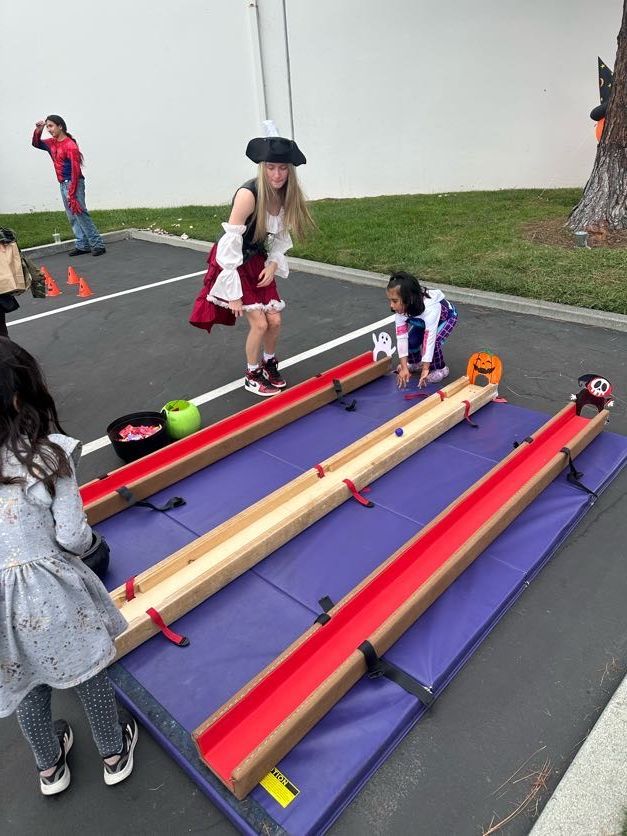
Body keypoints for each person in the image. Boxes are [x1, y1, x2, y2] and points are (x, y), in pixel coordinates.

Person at [0, 338, 137, 795]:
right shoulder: (47, 456)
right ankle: (113, 753)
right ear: (21, 395)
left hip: (2, 604)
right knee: (87, 672)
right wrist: (93, 545)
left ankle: (49, 768)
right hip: (48, 590)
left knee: (27, 684)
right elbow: (73, 537)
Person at [190, 122, 314, 396]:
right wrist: (233, 294)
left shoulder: (285, 195)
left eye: (282, 168)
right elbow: (230, 242)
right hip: (233, 261)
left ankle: (269, 363)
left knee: (276, 320)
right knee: (259, 322)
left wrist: (272, 263)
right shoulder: (248, 194)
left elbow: (280, 235)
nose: (277, 174)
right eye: (271, 167)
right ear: (262, 166)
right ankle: (252, 372)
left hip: (257, 259)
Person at [32, 115, 106, 257]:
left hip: (74, 183)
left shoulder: (70, 145)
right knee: (72, 216)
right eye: (47, 126)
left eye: (51, 126)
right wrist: (38, 130)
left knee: (80, 214)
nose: (49, 129)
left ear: (60, 126)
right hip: (63, 184)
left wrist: (72, 192)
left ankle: (97, 245)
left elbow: (75, 170)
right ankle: (82, 245)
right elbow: (36, 143)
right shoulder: (52, 143)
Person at [386, 271, 458, 389]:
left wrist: (426, 369)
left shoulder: (430, 308)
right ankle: (415, 362)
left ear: (408, 299)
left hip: (446, 318)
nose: (391, 306)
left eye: (394, 301)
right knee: (411, 341)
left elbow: (429, 339)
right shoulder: (400, 310)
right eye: (390, 301)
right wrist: (404, 367)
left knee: (433, 343)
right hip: (422, 322)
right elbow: (401, 338)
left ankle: (441, 368)